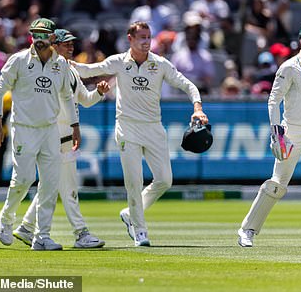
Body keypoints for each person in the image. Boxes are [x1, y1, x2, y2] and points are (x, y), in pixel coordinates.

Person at [73, 21, 208, 247]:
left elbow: (188, 85)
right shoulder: (118, 61)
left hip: (154, 127)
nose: (146, 42)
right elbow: (89, 70)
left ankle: (130, 214)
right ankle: (140, 230)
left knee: (165, 180)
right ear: (130, 39)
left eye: (149, 37)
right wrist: (63, 63)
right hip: (127, 127)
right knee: (133, 182)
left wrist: (198, 107)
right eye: (142, 37)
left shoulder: (160, 64)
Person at [13, 29, 109, 249]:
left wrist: (99, 92)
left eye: (72, 44)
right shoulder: (48, 70)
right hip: (53, 135)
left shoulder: (71, 71)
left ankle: (27, 227)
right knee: (68, 186)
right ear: (54, 45)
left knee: (52, 185)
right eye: (66, 44)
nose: (71, 47)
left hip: (66, 135)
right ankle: (80, 233)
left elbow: (84, 100)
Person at [0, 18, 79, 251]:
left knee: (50, 184)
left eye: (43, 35)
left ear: (52, 38)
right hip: (24, 128)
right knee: (23, 179)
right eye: (35, 35)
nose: (39, 40)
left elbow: (68, 97)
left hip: (49, 130)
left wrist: (75, 126)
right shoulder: (18, 60)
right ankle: (7, 219)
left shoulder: (60, 64)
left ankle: (42, 236)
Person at [237, 25, 301, 248]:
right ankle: (247, 230)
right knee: (278, 185)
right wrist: (277, 133)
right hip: (293, 133)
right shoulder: (289, 68)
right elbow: (273, 100)